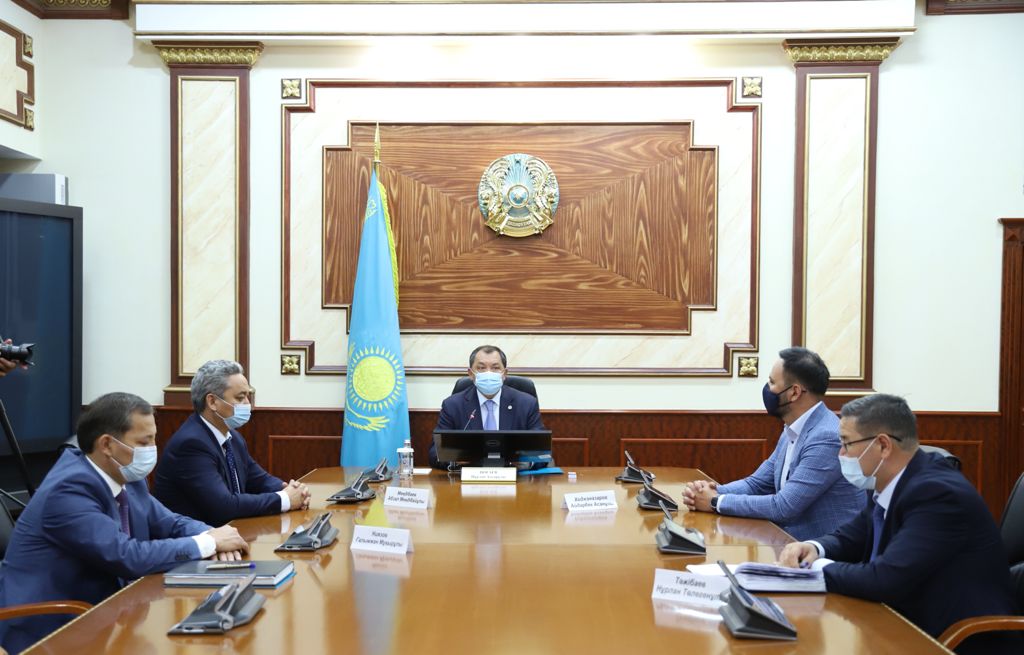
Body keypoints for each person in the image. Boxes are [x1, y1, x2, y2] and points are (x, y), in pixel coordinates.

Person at [0, 393, 248, 654]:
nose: (152, 449)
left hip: (106, 614)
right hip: (50, 626)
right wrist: (208, 543)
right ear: (107, 444)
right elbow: (125, 555)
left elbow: (169, 522)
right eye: (144, 442)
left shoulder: (125, 474)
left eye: (153, 439)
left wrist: (213, 534)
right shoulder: (68, 489)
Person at [779, 394, 1021, 654]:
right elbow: (852, 537)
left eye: (847, 443)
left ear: (883, 446)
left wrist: (812, 568)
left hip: (953, 639)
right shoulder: (887, 482)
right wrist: (814, 548)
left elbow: (884, 579)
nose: (841, 454)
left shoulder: (937, 494)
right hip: (899, 622)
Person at [682, 347, 863, 541]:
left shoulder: (825, 437)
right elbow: (756, 484)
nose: (767, 388)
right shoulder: (792, 429)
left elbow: (783, 506)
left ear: (794, 392)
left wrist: (715, 502)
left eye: (772, 382)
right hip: (790, 544)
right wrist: (707, 492)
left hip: (824, 551)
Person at [153, 359, 310, 525]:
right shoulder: (191, 444)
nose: (248, 404)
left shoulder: (232, 437)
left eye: (247, 396)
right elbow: (223, 506)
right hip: (195, 537)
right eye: (240, 397)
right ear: (212, 402)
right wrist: (285, 499)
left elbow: (258, 479)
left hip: (229, 532)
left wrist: (290, 490)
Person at [429, 345, 544, 468]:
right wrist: (455, 460)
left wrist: (526, 461)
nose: (488, 373)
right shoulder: (452, 405)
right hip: (469, 476)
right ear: (471, 374)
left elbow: (542, 452)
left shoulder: (526, 404)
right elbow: (435, 452)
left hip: (515, 476)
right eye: (481, 368)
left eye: (495, 368)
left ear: (504, 373)